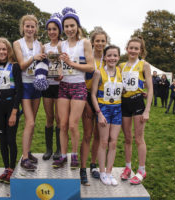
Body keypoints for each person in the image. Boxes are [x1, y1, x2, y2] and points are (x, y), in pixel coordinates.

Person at [52, 7, 94, 169]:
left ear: (78, 26)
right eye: (66, 26)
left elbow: (91, 67)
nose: (69, 29)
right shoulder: (61, 45)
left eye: (72, 26)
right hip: (63, 86)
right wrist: (59, 74)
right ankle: (63, 156)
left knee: (72, 125)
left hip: (78, 86)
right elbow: (60, 67)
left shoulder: (85, 42)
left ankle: (74, 155)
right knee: (62, 124)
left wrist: (71, 63)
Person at [119, 37, 153, 185]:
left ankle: (141, 170)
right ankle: (127, 167)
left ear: (141, 51)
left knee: (139, 138)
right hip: (124, 102)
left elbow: (150, 88)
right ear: (127, 49)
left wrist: (147, 110)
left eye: (136, 48)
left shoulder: (144, 65)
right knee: (127, 138)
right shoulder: (121, 66)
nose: (133, 50)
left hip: (138, 102)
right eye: (131, 48)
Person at [13, 15, 45, 171]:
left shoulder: (40, 45)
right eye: (27, 26)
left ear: (36, 28)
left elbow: (44, 63)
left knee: (32, 124)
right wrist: (34, 57)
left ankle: (28, 151)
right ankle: (24, 158)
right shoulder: (17, 44)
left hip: (37, 85)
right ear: (23, 27)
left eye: (33, 27)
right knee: (30, 122)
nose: (30, 29)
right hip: (25, 85)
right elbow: (22, 66)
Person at [0, 37, 23, 182]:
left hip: (11, 106)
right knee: (2, 140)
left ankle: (11, 168)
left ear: (8, 50)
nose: (1, 52)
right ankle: (5, 168)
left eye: (4, 49)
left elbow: (19, 90)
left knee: (11, 139)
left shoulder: (14, 66)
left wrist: (15, 112)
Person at [80, 26, 108, 185]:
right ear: (92, 42)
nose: (100, 43)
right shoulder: (86, 57)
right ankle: (82, 169)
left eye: (103, 41)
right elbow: (80, 81)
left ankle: (93, 165)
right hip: (87, 97)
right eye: (97, 40)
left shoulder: (109, 58)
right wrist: (85, 104)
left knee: (99, 135)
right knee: (87, 134)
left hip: (103, 99)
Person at [91, 45, 122, 186]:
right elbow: (92, 94)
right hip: (103, 109)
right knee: (103, 141)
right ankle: (102, 171)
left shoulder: (120, 71)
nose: (112, 58)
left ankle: (109, 172)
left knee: (113, 142)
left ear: (118, 57)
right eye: (109, 55)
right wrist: (99, 113)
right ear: (105, 57)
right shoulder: (98, 72)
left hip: (117, 109)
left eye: (115, 55)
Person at [42, 13, 63, 161]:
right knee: (49, 117)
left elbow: (67, 64)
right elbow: (40, 65)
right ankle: (48, 149)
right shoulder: (44, 47)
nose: (51, 32)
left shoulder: (63, 45)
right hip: (48, 85)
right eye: (49, 29)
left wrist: (60, 74)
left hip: (61, 85)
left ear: (59, 30)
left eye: (54, 29)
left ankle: (59, 149)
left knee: (59, 118)